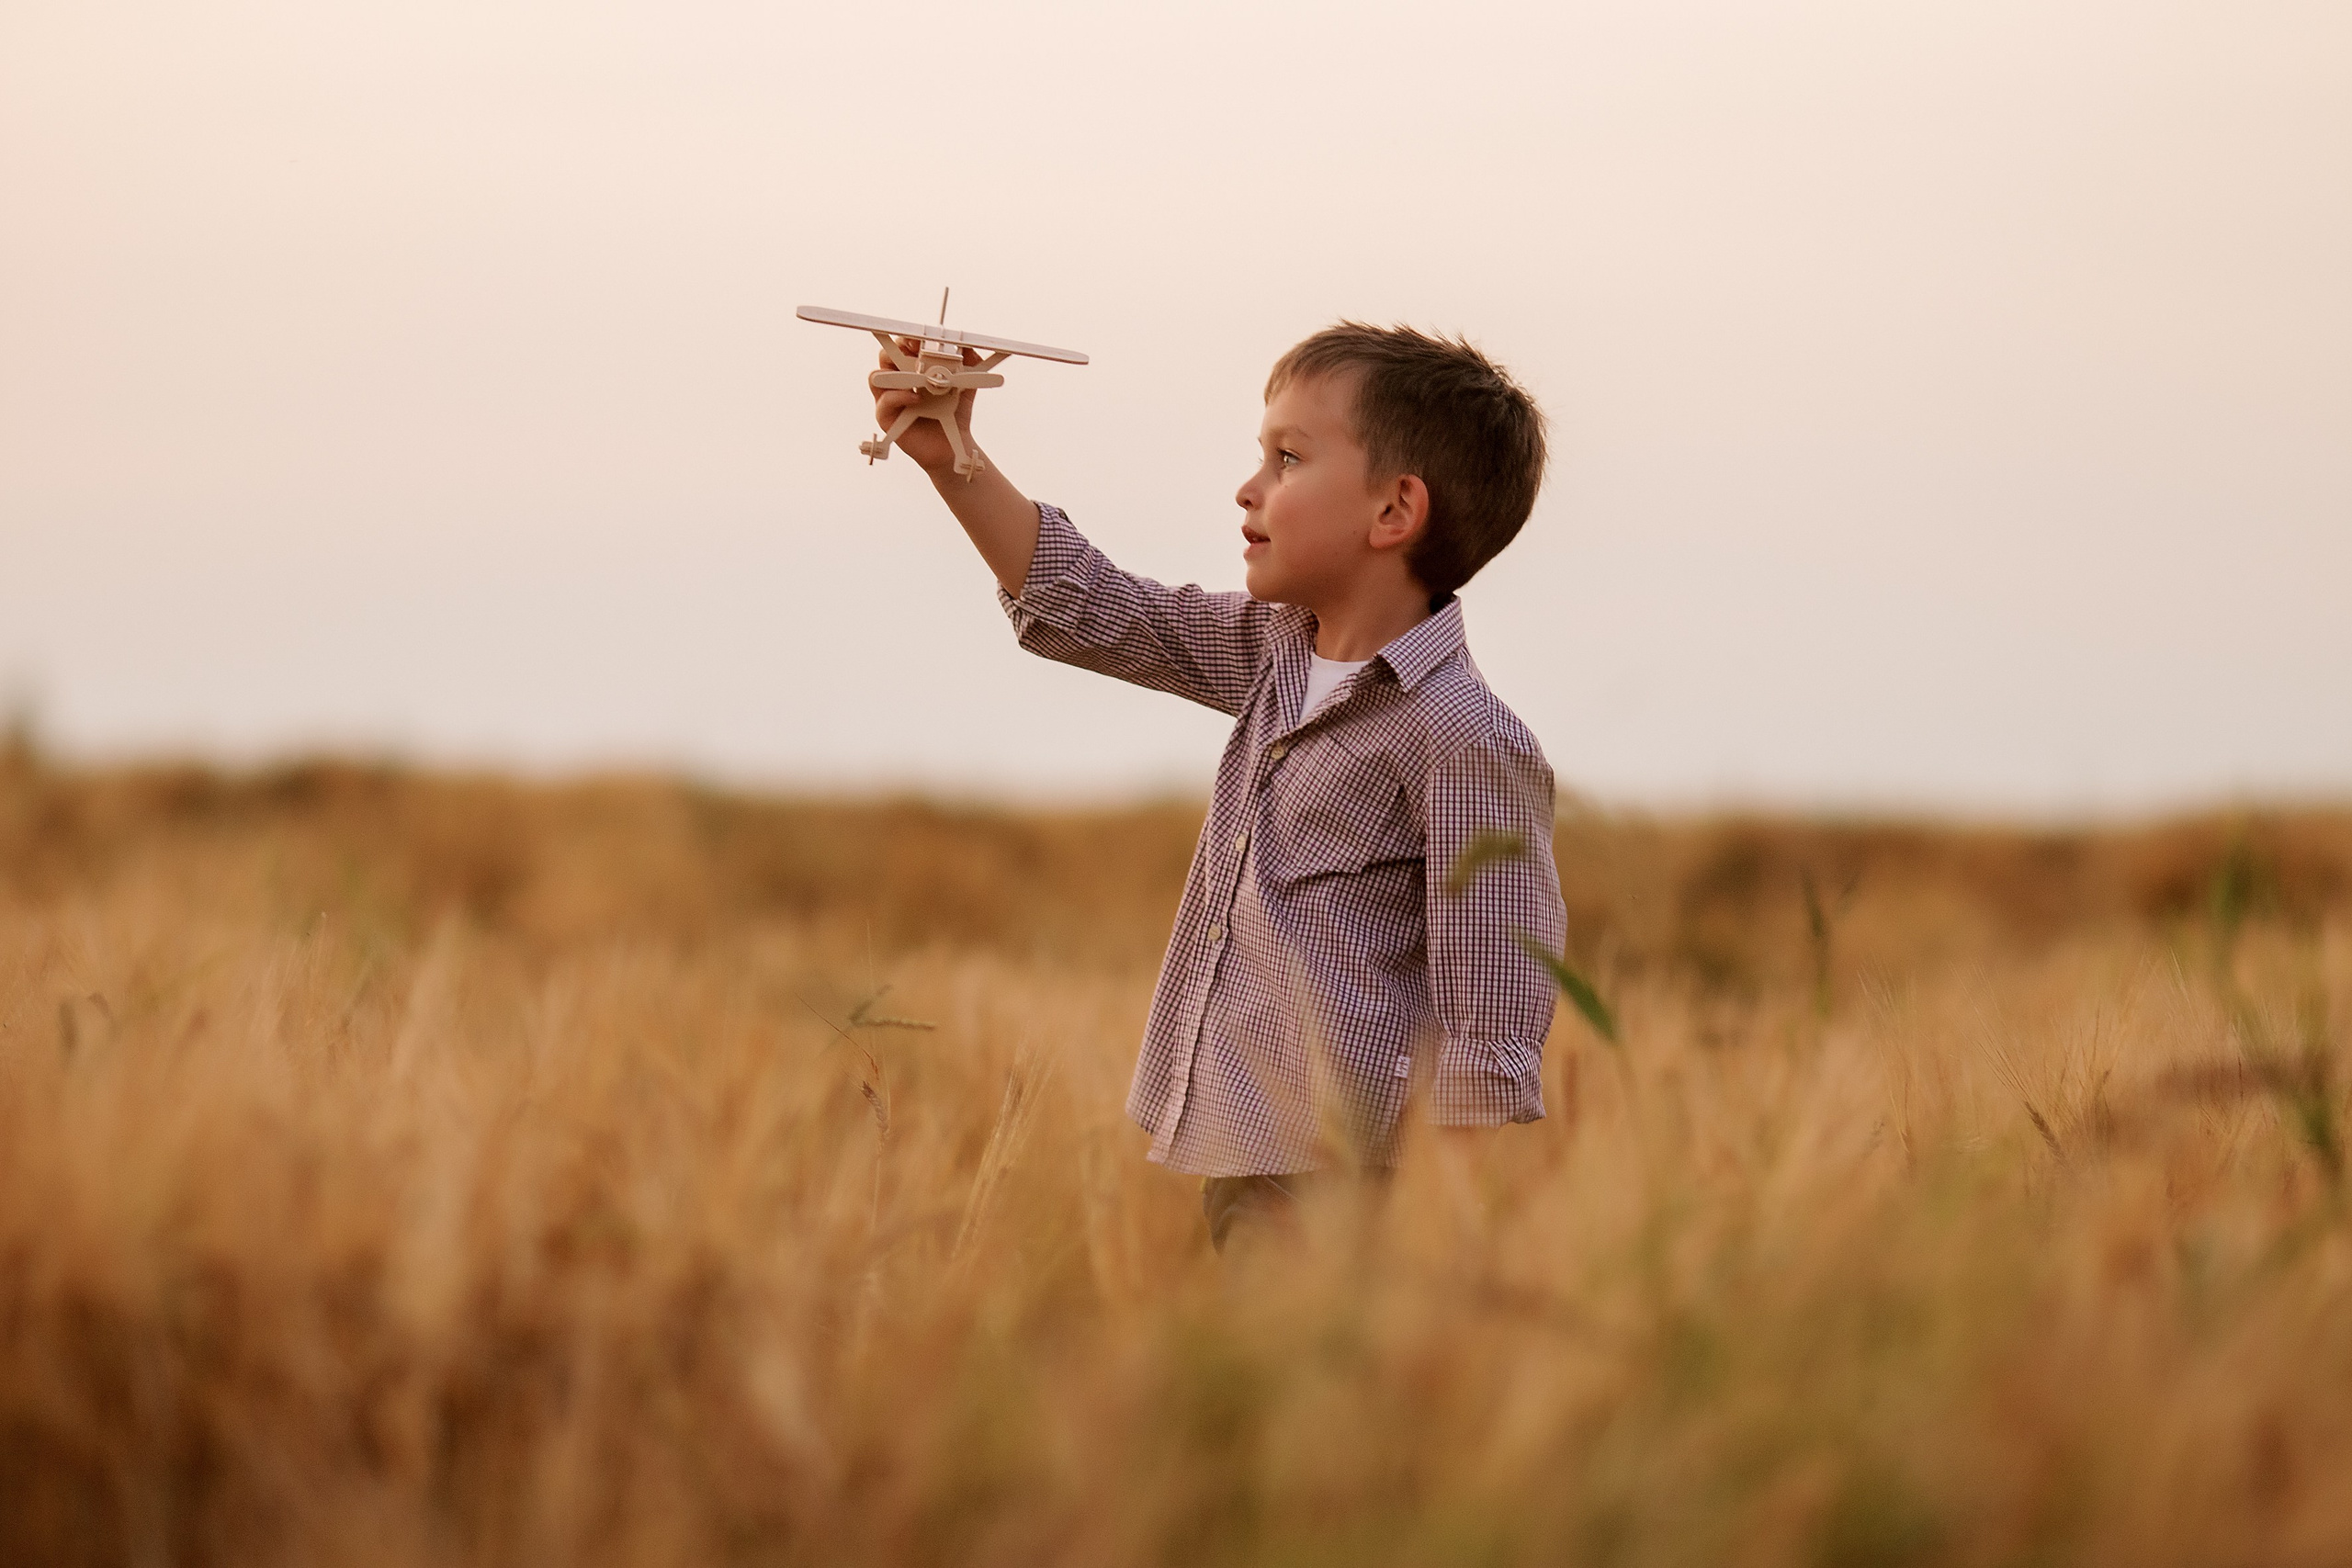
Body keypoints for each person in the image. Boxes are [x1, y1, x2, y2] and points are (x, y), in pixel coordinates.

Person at [866, 321, 1566, 1253]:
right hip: (1249, 1156)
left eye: (1287, 458)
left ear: (1394, 512)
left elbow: (1492, 998)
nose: (1248, 488)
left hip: (1356, 1182)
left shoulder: (1462, 736)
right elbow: (1096, 607)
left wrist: (1445, 1230)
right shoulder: (1271, 653)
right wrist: (951, 455)